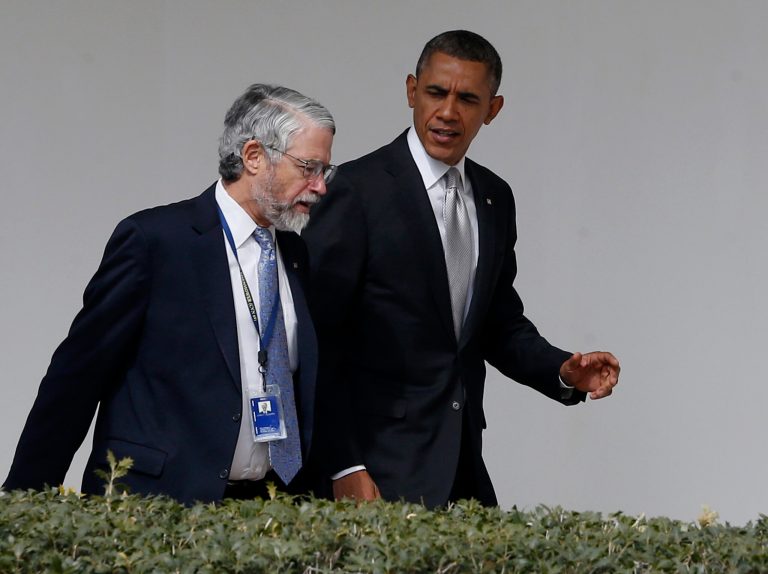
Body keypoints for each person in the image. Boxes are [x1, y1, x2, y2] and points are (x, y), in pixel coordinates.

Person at [302, 30, 620, 508]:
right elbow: (312, 337)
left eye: (467, 98)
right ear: (412, 91)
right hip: (370, 470)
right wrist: (343, 464)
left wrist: (562, 370)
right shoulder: (355, 190)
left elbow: (496, 324)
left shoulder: (495, 196)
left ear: (492, 109)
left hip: (460, 464)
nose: (448, 112)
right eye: (436, 92)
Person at [3, 84, 337, 504]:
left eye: (326, 171)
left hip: (269, 507)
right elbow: (77, 376)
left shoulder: (293, 253)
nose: (320, 186)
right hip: (162, 504)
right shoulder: (155, 242)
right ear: (254, 156)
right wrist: (24, 500)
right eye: (309, 167)